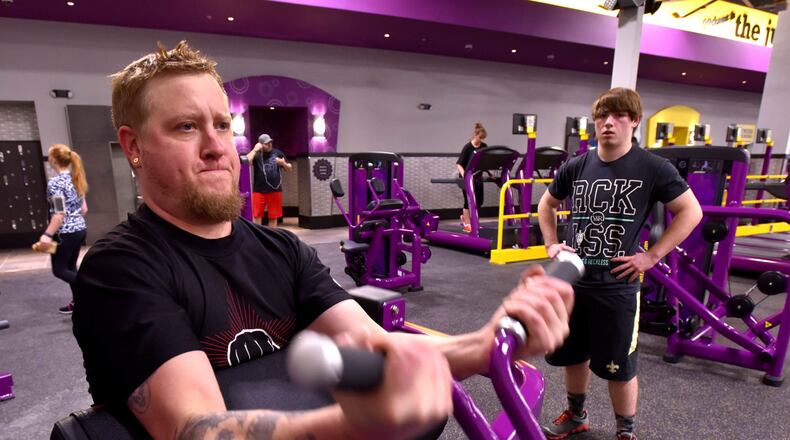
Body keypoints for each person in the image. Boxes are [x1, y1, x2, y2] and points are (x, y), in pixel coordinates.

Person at [71, 41, 576, 440]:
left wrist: (484, 345)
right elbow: (193, 429)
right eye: (186, 127)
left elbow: (373, 345)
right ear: (134, 146)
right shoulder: (120, 267)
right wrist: (349, 427)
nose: (215, 146)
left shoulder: (283, 250)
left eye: (223, 124)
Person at [537, 87, 703, 440]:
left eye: (618, 116)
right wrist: (551, 244)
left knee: (620, 367)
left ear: (634, 121)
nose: (608, 123)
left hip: (617, 284)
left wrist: (652, 256)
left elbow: (691, 211)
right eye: (601, 116)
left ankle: (625, 431)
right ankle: (576, 414)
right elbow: (545, 205)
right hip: (574, 280)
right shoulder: (577, 165)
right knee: (573, 355)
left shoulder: (653, 167)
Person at [33, 143, 88, 314]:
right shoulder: (76, 177)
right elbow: (84, 209)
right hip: (79, 229)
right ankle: (79, 303)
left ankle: (94, 291)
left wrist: (47, 235)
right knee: (70, 267)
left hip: (64, 233)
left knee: (60, 270)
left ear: (53, 160)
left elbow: (59, 213)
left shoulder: (55, 183)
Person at [246, 133, 291, 227]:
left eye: (270, 142)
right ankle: (258, 238)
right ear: (261, 144)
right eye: (267, 143)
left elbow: (290, 169)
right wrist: (255, 149)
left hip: (275, 190)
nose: (270, 144)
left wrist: (283, 164)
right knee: (257, 215)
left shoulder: (277, 153)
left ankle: (272, 238)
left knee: (273, 217)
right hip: (259, 190)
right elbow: (247, 161)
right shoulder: (257, 154)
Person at [456, 122, 488, 233]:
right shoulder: (467, 147)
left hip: (478, 177)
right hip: (467, 178)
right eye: (480, 138)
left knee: (479, 201)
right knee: (468, 201)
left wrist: (490, 174)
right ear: (475, 135)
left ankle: (471, 221)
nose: (481, 140)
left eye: (483, 138)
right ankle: (467, 224)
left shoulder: (484, 147)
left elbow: (485, 162)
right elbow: (459, 164)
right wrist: (465, 175)